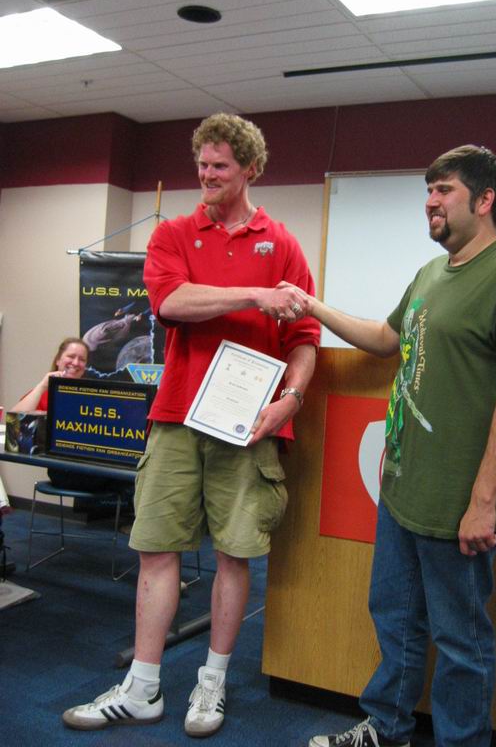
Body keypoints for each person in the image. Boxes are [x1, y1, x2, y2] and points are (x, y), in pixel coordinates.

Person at [62, 113, 320, 736]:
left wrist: (291, 399)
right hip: (178, 415)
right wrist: (255, 295)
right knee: (156, 547)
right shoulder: (175, 233)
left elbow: (305, 338)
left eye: (220, 165)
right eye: (201, 164)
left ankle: (212, 684)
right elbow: (170, 302)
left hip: (248, 425)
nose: (206, 175)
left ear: (250, 169)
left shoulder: (282, 243)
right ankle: (142, 687)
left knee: (235, 554)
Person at [291, 145, 496, 747]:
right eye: (428, 191)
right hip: (404, 487)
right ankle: (388, 727)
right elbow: (386, 338)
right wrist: (312, 306)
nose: (430, 202)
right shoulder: (431, 274)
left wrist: (483, 502)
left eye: (444, 190)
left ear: (485, 201)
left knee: (460, 640)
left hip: (458, 498)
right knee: (395, 616)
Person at [12, 337, 112, 491]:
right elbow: (14, 420)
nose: (76, 363)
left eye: (82, 359)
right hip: (63, 469)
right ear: (58, 360)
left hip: (93, 464)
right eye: (71, 356)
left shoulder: (92, 396)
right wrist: (42, 386)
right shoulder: (45, 393)